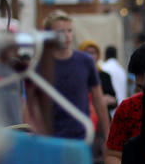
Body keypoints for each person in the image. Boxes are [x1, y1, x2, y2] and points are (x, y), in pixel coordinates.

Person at [43, 10, 110, 144]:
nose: (67, 36)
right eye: (61, 32)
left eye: (69, 30)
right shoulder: (41, 65)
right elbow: (32, 104)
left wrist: (108, 135)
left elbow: (98, 100)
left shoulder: (85, 61)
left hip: (80, 136)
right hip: (49, 138)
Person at [78, 40, 118, 112]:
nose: (91, 56)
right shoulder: (77, 75)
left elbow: (114, 101)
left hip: (103, 117)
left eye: (93, 53)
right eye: (87, 53)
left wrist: (109, 100)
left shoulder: (105, 76)